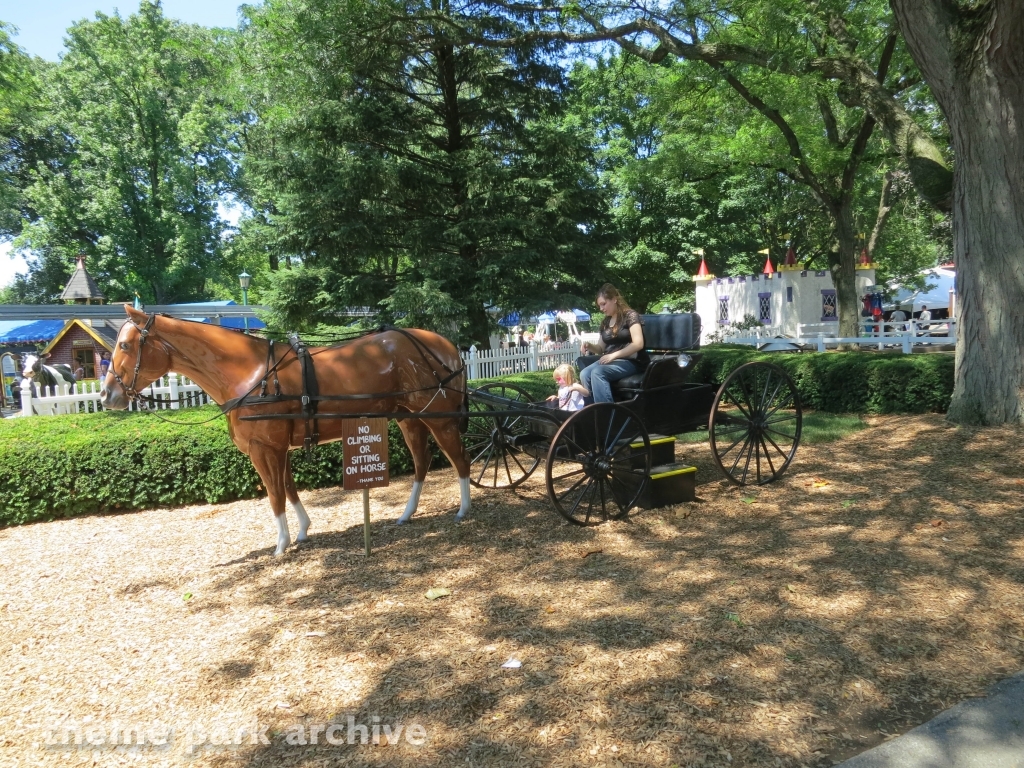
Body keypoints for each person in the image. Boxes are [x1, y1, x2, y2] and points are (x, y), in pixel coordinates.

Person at [579, 283, 648, 403]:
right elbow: (600, 348)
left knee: (598, 373)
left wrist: (613, 355)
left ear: (614, 299)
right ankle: (590, 412)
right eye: (599, 305)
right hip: (612, 361)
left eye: (603, 304)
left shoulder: (630, 316)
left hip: (632, 361)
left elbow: (638, 344)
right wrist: (589, 345)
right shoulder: (606, 321)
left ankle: (606, 414)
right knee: (584, 373)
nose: (601, 308)